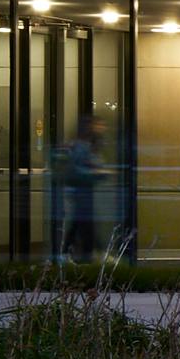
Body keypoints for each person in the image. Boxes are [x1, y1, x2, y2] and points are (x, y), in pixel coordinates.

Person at [47, 110, 114, 263]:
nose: (102, 128)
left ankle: (74, 253)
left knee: (82, 223)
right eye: (99, 125)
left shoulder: (88, 145)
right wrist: (98, 173)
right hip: (80, 190)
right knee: (84, 222)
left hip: (84, 190)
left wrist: (98, 171)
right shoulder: (81, 146)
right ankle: (94, 252)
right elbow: (77, 169)